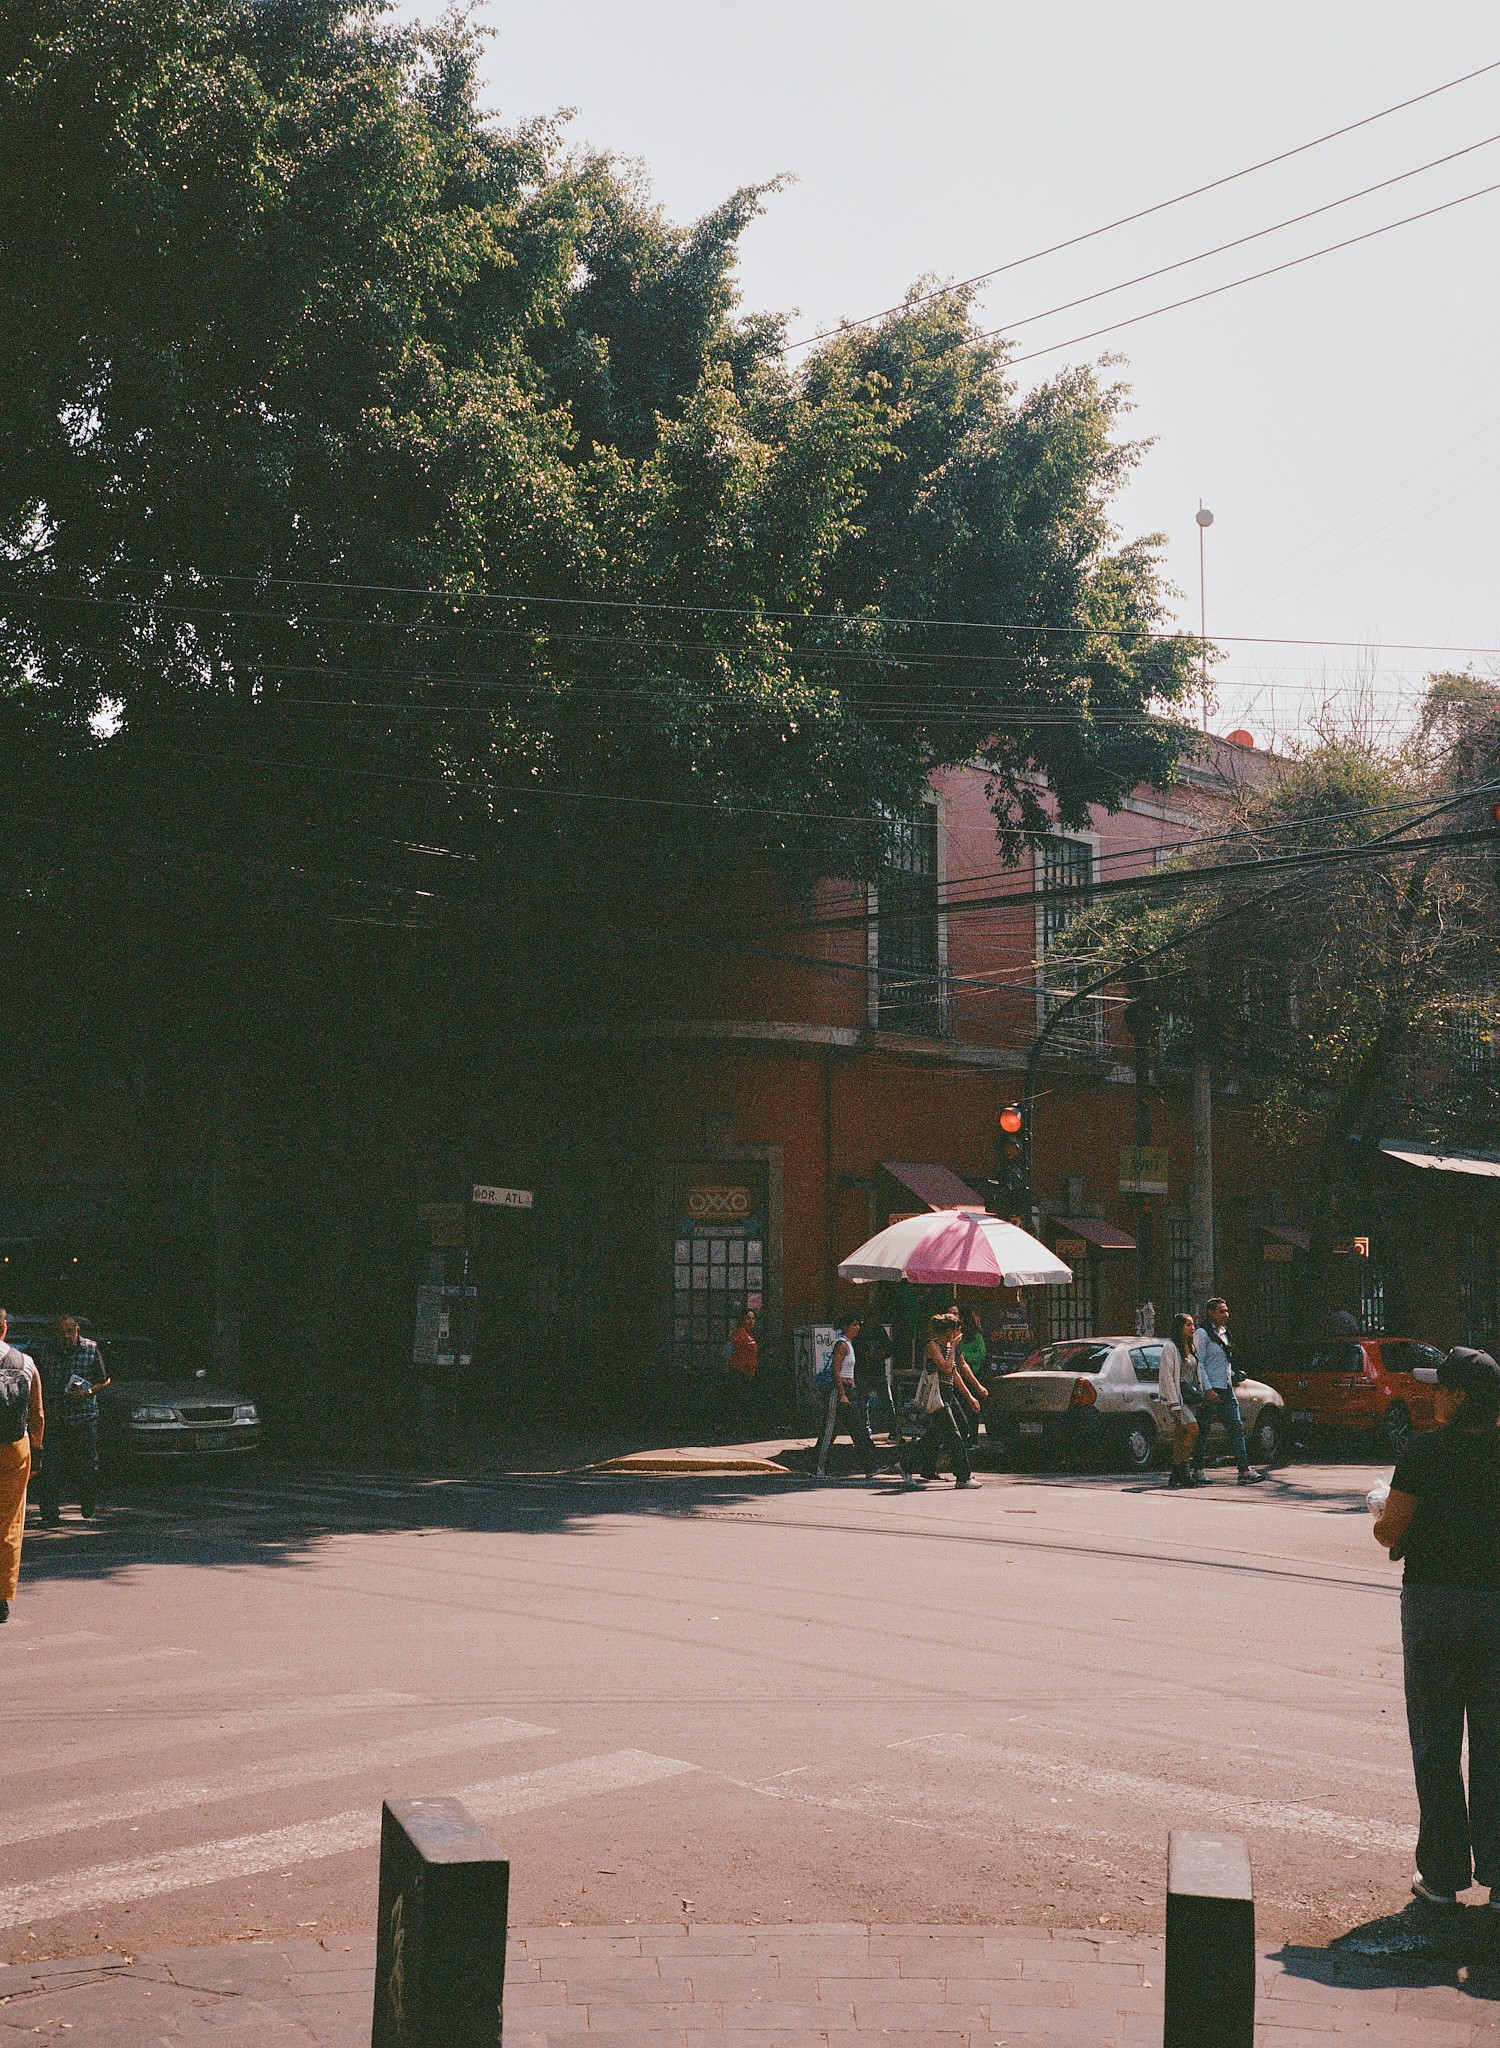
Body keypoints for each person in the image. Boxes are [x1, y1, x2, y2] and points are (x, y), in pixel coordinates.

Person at [1374, 1347, 1500, 1908]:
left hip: (1436, 1606)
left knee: (1437, 1740)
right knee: (1496, 1741)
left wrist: (1379, 1510)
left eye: (1441, 1387)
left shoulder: (1424, 1452)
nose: (1433, 1396)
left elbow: (1390, 1531)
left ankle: (1444, 1874)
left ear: (1458, 1396)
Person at [35, 1314, 110, 1525]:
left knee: (86, 1464)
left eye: (70, 1332)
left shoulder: (90, 1349)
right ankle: (49, 1514)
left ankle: (88, 1499)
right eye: (61, 1333)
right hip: (54, 1417)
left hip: (83, 1417)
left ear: (77, 1330)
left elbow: (104, 1380)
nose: (66, 1337)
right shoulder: (45, 1351)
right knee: (50, 1467)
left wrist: (87, 1392)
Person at [0, 1308, 45, 1623]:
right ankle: (1, 1597)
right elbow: (37, 1415)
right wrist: (37, 1453)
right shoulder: (25, 1362)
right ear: (3, 1327)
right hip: (14, 1447)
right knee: (9, 1522)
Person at [1192, 1298, 1263, 1484]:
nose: (1226, 1315)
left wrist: (1233, 1375)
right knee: (1204, 1430)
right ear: (1211, 1313)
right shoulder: (1202, 1334)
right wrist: (1207, 1388)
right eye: (1221, 1311)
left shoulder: (1224, 1333)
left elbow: (1224, 1362)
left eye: (1226, 1311)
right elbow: (1200, 1363)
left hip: (1226, 1388)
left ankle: (1244, 1470)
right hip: (1211, 1389)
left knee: (1237, 1428)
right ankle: (1198, 1470)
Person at [901, 1311, 974, 1487]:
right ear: (949, 1331)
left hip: (948, 1392)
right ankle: (963, 1476)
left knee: (952, 1430)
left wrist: (970, 1396)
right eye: (957, 1329)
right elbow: (946, 1368)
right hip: (937, 1393)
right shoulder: (933, 1346)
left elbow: (954, 1373)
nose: (959, 1333)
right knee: (953, 1435)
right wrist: (953, 1347)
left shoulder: (948, 1346)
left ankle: (909, 1464)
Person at [815, 1317, 877, 1480]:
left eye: (858, 1325)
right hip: (839, 1391)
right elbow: (836, 1370)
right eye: (854, 1325)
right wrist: (842, 1394)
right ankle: (818, 1467)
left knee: (858, 1430)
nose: (857, 1328)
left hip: (849, 1390)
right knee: (829, 1430)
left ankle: (871, 1467)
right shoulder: (841, 1344)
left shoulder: (849, 1344)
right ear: (846, 1326)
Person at [1158, 1312, 1200, 1488]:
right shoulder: (1170, 1348)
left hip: (1190, 1397)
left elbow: (1195, 1372)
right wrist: (1173, 1402)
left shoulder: (1191, 1346)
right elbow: (1167, 1376)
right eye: (1188, 1325)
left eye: (1193, 1325)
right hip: (1178, 1398)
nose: (1192, 1328)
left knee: (1181, 1433)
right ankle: (1184, 1469)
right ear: (1179, 1327)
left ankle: (1176, 1473)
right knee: (1193, 1428)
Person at [723, 1308, 759, 1436]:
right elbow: (727, 1352)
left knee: (746, 1402)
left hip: (748, 1375)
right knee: (740, 1402)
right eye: (748, 1318)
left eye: (753, 1318)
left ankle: (746, 1429)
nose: (751, 1321)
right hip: (738, 1373)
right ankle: (738, 1429)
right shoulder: (739, 1334)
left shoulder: (749, 1335)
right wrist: (728, 1368)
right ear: (742, 1320)